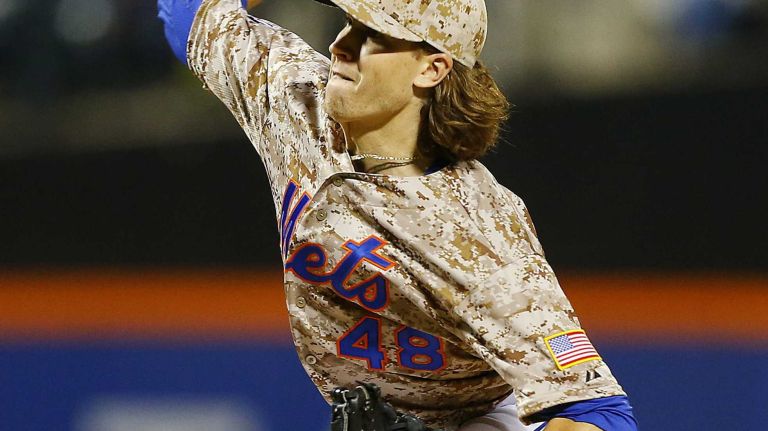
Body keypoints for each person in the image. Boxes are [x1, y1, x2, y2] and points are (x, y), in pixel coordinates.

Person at [158, 0, 639, 430]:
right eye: (347, 24)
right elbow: (192, 15)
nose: (341, 46)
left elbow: (598, 413)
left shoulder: (475, 237)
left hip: (484, 417)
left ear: (431, 69)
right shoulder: (301, 100)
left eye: (373, 36)